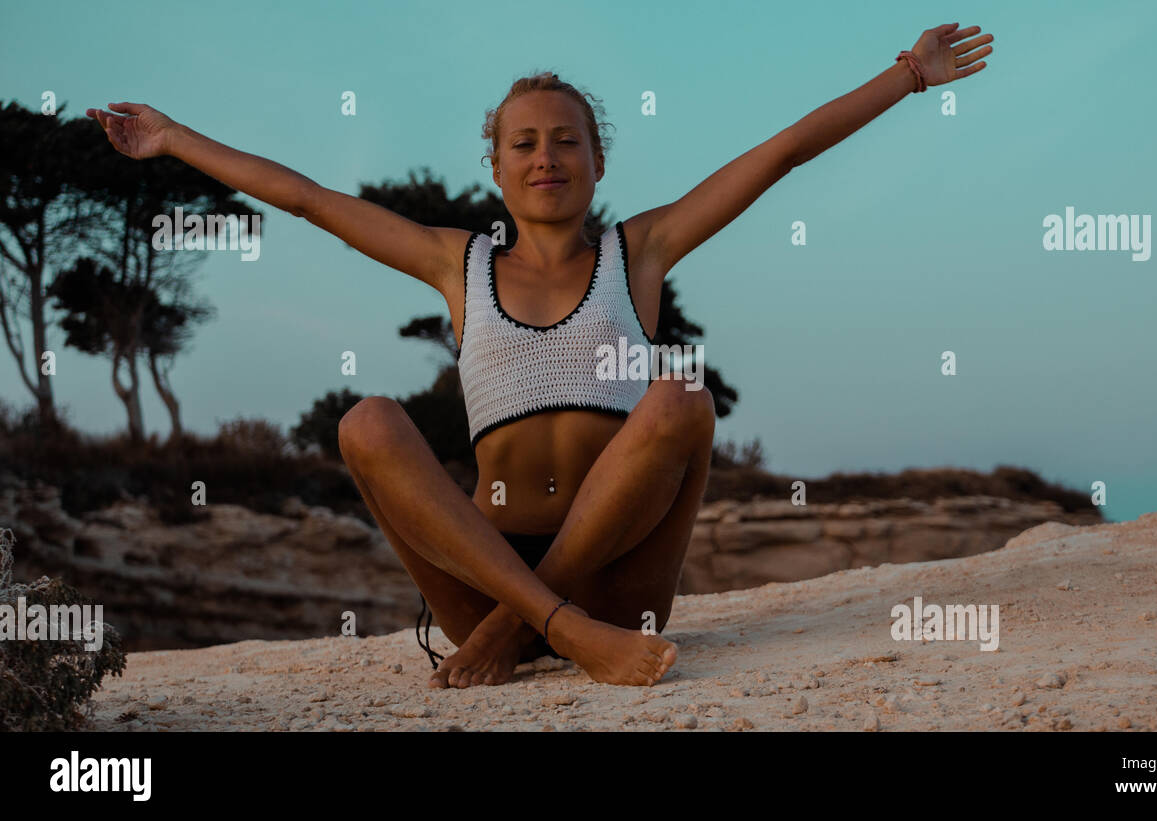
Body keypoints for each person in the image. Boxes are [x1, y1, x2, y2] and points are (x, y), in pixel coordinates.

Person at [86, 22, 992, 689]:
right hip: (486, 576)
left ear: (599, 162)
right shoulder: (458, 262)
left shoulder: (638, 253)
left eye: (567, 141)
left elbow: (783, 154)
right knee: (366, 422)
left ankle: (538, 626)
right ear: (497, 168)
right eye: (524, 142)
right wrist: (174, 141)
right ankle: (543, 621)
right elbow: (309, 198)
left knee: (681, 398)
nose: (545, 156)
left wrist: (908, 74)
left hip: (618, 584)